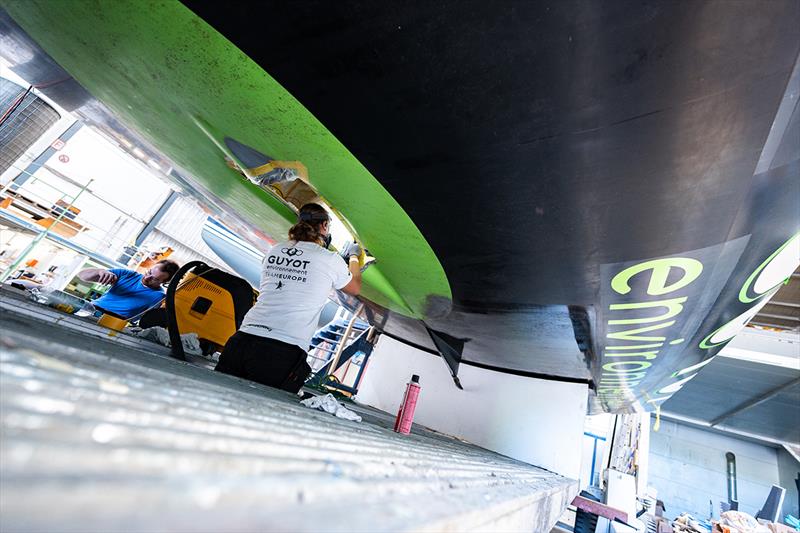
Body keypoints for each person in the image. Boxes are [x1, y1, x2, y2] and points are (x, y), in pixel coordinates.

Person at [215, 203, 362, 392]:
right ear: (324, 226)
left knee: (216, 399)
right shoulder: (330, 258)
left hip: (242, 340)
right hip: (281, 350)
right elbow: (355, 287)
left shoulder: (275, 250)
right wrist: (354, 257)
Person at [77, 259, 179, 319]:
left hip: (112, 322)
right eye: (149, 272)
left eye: (155, 279)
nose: (147, 278)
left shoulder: (160, 298)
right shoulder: (127, 275)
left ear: (165, 282)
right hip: (89, 309)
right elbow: (81, 275)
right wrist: (99, 271)